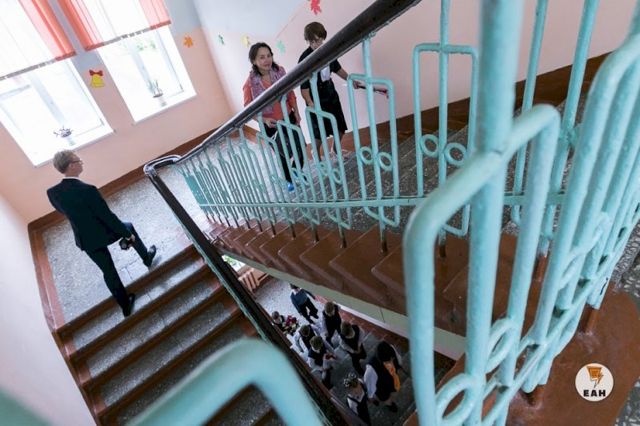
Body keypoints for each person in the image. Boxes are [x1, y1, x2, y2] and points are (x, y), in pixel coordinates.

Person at [47, 150, 157, 318]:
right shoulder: (88, 190)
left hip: (85, 238)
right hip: (105, 231)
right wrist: (127, 235)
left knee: (108, 271)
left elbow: (63, 211)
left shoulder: (52, 192)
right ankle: (146, 258)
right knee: (129, 227)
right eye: (78, 160)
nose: (81, 162)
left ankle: (125, 305)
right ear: (71, 166)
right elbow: (107, 217)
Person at [243, 42, 305, 191]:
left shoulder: (280, 71)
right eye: (262, 57)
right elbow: (248, 109)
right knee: (282, 154)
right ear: (254, 61)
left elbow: (290, 92)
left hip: (288, 116)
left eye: (269, 55)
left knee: (300, 146)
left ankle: (296, 170)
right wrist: (264, 120)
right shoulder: (250, 84)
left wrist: (296, 111)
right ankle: (289, 180)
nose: (267, 60)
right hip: (270, 125)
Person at [298, 22, 360, 158]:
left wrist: (350, 80)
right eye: (314, 41)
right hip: (315, 96)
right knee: (320, 132)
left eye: (320, 40)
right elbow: (304, 86)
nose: (318, 44)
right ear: (308, 41)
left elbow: (337, 69)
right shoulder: (304, 58)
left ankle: (336, 150)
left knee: (340, 125)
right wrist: (310, 102)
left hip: (330, 92)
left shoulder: (328, 50)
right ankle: (316, 153)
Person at [363, 341, 402, 412]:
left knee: (394, 390)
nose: (391, 362)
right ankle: (390, 405)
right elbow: (370, 386)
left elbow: (398, 360)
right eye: (388, 362)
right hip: (382, 387)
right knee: (386, 399)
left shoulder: (390, 349)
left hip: (391, 379)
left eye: (392, 359)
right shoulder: (371, 370)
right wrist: (371, 397)